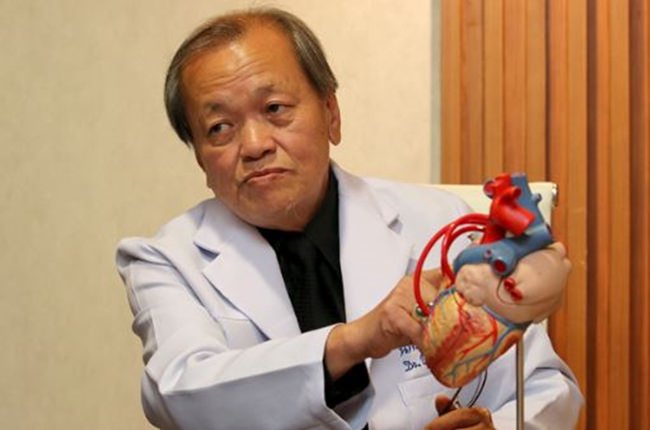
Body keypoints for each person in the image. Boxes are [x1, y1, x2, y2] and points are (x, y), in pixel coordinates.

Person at [116, 7, 582, 430]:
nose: (254, 145)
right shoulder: (165, 259)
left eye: (275, 109)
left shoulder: (440, 222)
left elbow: (545, 387)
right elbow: (178, 395)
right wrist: (357, 339)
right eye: (219, 128)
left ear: (331, 114)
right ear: (200, 157)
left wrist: (497, 428)